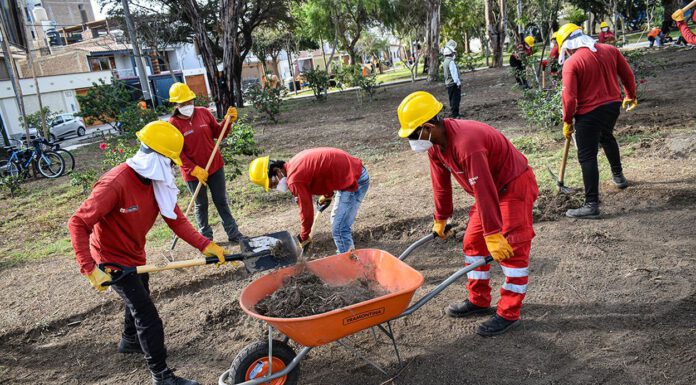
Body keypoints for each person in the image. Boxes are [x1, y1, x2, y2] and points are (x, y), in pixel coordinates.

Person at [68, 121, 229, 385]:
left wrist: (205, 245)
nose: (174, 168)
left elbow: (175, 218)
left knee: (138, 295)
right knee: (147, 315)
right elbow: (78, 222)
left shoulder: (155, 180)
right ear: (157, 157)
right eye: (171, 161)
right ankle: (161, 376)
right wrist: (89, 268)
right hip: (110, 260)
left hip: (134, 255)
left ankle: (129, 341)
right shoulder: (115, 183)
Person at [396, 91, 538, 337]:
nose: (411, 140)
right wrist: (441, 218)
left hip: (513, 187)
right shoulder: (436, 146)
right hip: (488, 191)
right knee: (473, 242)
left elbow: (483, 189)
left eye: (413, 134)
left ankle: (508, 312)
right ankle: (479, 299)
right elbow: (440, 183)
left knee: (511, 250)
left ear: (428, 127)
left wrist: (493, 234)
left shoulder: (466, 144)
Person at [556, 23, 637, 219]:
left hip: (589, 113)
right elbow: (627, 75)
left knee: (587, 156)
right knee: (607, 136)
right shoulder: (610, 50)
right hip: (612, 106)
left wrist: (567, 120)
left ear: (567, 45)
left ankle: (591, 204)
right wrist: (630, 95)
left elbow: (569, 98)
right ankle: (619, 177)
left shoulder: (572, 63)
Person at [248, 148, 369, 254]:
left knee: (339, 228)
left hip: (355, 179)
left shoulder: (294, 180)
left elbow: (306, 211)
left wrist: (304, 236)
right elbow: (323, 172)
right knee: (336, 221)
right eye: (271, 187)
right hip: (349, 173)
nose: (274, 187)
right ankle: (346, 255)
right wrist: (327, 194)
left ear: (277, 171)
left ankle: (348, 263)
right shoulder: (293, 164)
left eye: (272, 183)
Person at [168, 82, 245, 244]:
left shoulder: (203, 112)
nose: (188, 105)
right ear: (176, 104)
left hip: (215, 166)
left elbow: (219, 133)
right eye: (183, 103)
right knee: (201, 205)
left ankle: (234, 234)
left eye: (189, 101)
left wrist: (228, 121)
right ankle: (206, 238)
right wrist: (194, 169)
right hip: (193, 174)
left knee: (221, 201)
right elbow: (176, 153)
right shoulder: (173, 124)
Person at [442, 40, 462, 118]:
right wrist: (458, 83)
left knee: (451, 99)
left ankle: (454, 113)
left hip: (448, 84)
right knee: (456, 99)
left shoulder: (445, 61)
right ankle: (455, 114)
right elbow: (454, 74)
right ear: (451, 53)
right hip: (453, 84)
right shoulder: (451, 62)